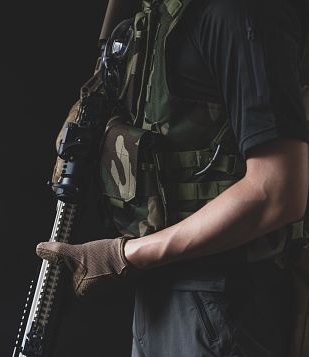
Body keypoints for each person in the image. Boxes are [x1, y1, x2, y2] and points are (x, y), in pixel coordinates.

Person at [36, 0, 309, 356]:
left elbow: (276, 191)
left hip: (224, 300)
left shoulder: (239, 12)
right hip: (163, 290)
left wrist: (123, 257)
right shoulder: (158, 12)